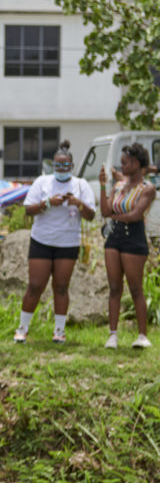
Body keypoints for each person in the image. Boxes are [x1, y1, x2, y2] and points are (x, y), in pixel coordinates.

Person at [14, 141, 96, 343]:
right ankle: (22, 328)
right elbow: (28, 209)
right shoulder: (42, 182)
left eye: (65, 166)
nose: (61, 170)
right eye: (57, 166)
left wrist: (78, 203)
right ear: (53, 165)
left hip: (68, 243)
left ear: (71, 166)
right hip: (42, 240)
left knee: (61, 286)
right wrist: (48, 203)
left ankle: (59, 331)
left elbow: (91, 215)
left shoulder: (80, 185)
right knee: (35, 285)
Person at [99, 142, 156, 349]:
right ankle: (112, 335)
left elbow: (135, 215)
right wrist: (103, 185)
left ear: (136, 163)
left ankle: (142, 335)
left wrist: (114, 216)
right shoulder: (118, 186)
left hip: (134, 238)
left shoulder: (147, 189)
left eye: (125, 163)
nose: (122, 166)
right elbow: (105, 211)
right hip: (114, 238)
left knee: (135, 288)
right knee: (114, 286)